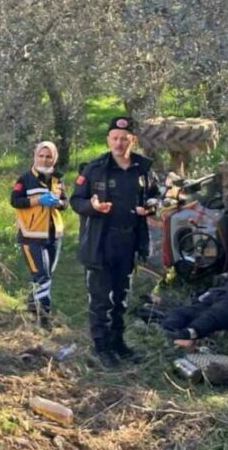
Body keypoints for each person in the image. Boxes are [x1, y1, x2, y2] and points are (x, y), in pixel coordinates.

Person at [70, 117, 161, 368]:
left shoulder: (143, 169)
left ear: (133, 140)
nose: (119, 143)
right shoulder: (95, 168)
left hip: (129, 241)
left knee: (121, 297)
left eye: (124, 139)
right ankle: (102, 348)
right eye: (115, 138)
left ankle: (118, 343)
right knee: (101, 299)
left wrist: (151, 207)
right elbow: (76, 201)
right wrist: (93, 206)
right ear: (108, 140)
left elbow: (155, 196)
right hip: (101, 241)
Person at [10, 141, 67, 328]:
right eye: (41, 156)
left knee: (46, 276)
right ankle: (44, 317)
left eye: (48, 156)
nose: (44, 159)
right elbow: (15, 201)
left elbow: (65, 204)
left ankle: (31, 310)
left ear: (54, 158)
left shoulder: (58, 180)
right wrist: (37, 200)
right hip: (31, 235)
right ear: (35, 157)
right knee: (42, 276)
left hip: (53, 235)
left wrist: (58, 203)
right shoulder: (25, 179)